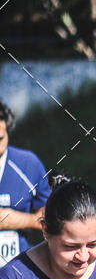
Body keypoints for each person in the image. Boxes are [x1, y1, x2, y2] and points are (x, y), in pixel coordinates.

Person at [0, 101, 50, 267]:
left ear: (7, 131)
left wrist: (18, 220)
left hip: (16, 269)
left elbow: (52, 218)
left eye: (0, 139)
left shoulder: (28, 164)